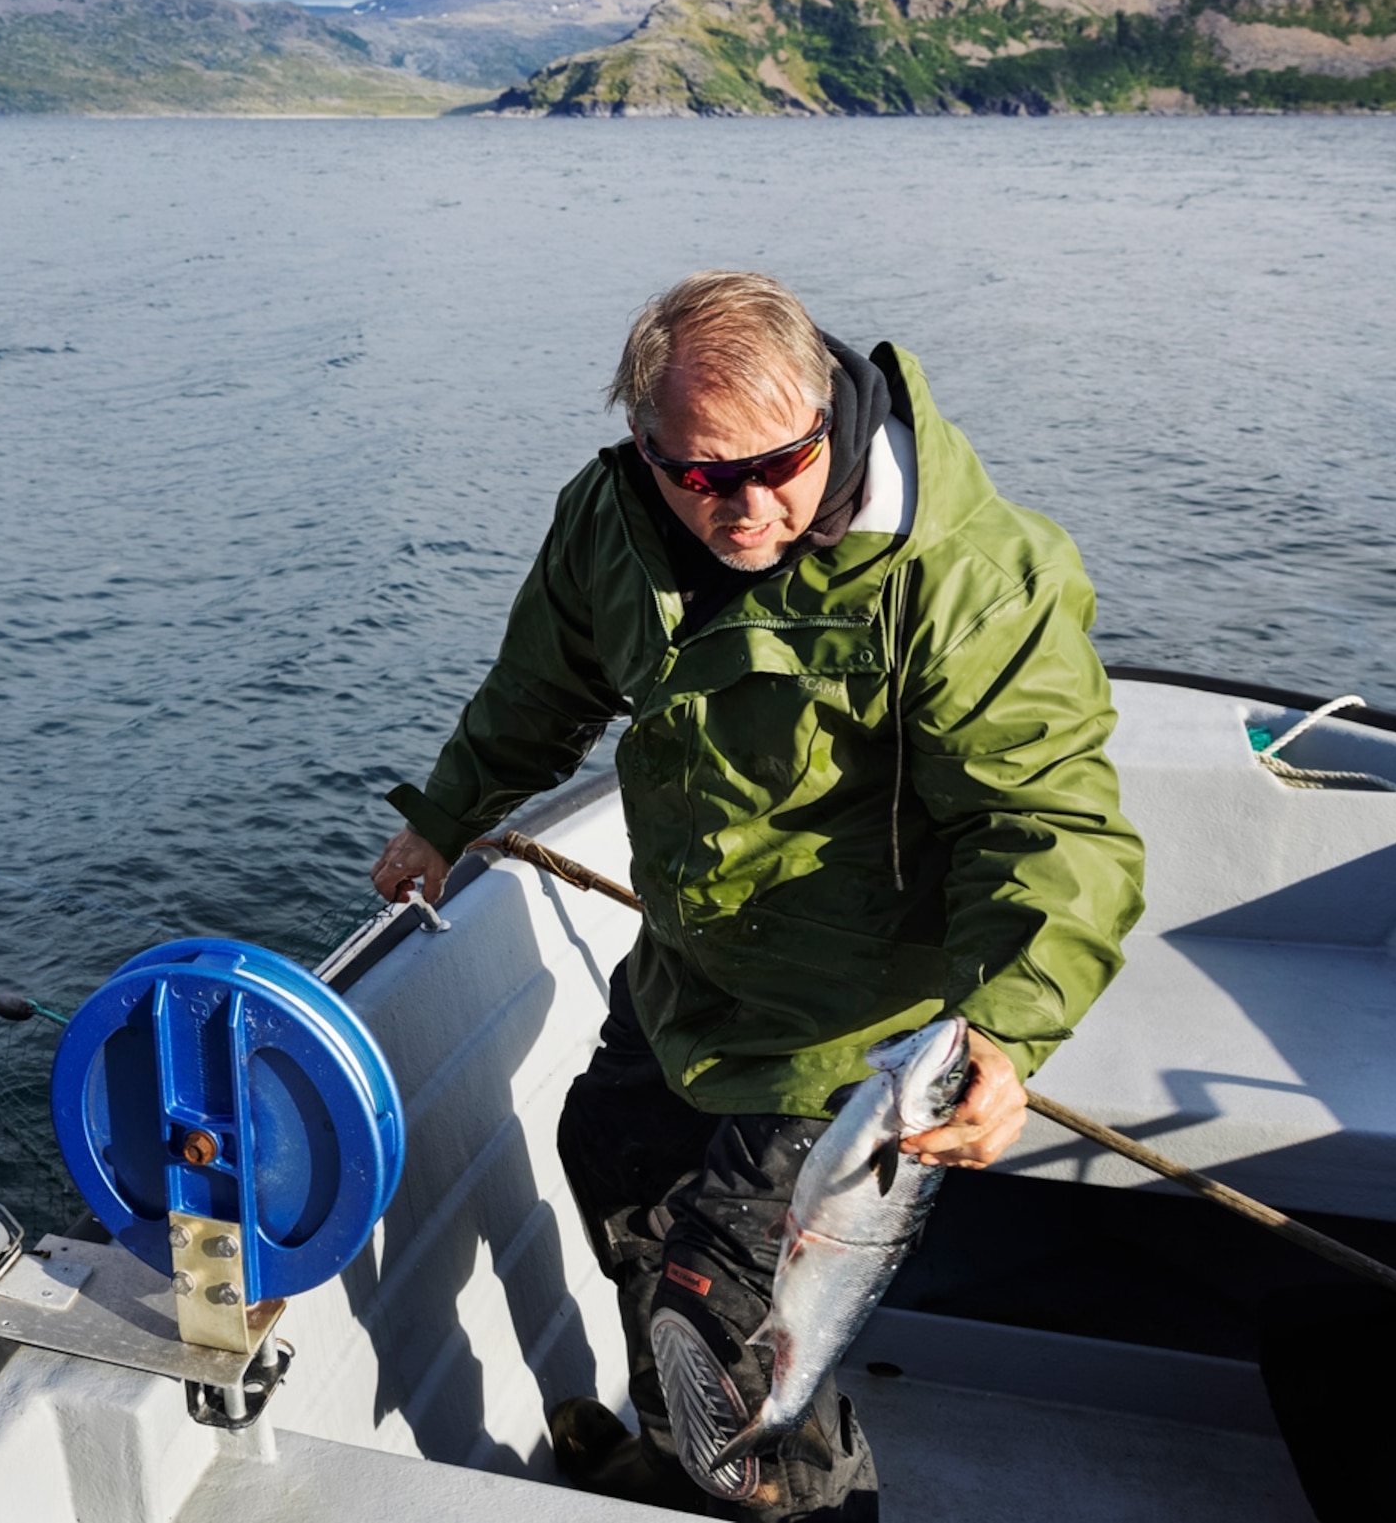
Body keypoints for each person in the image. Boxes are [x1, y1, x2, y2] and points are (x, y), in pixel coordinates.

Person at [371, 272, 1144, 1519]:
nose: (736, 506)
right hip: (687, 973)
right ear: (644, 444)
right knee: (608, 1157)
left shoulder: (967, 576)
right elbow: (541, 687)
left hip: (849, 1036)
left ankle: (790, 1497)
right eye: (695, 474)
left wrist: (1007, 1034)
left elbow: (1050, 824)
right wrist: (446, 816)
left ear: (827, 418)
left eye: (772, 466)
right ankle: (691, 1469)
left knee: (727, 1319)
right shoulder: (613, 520)